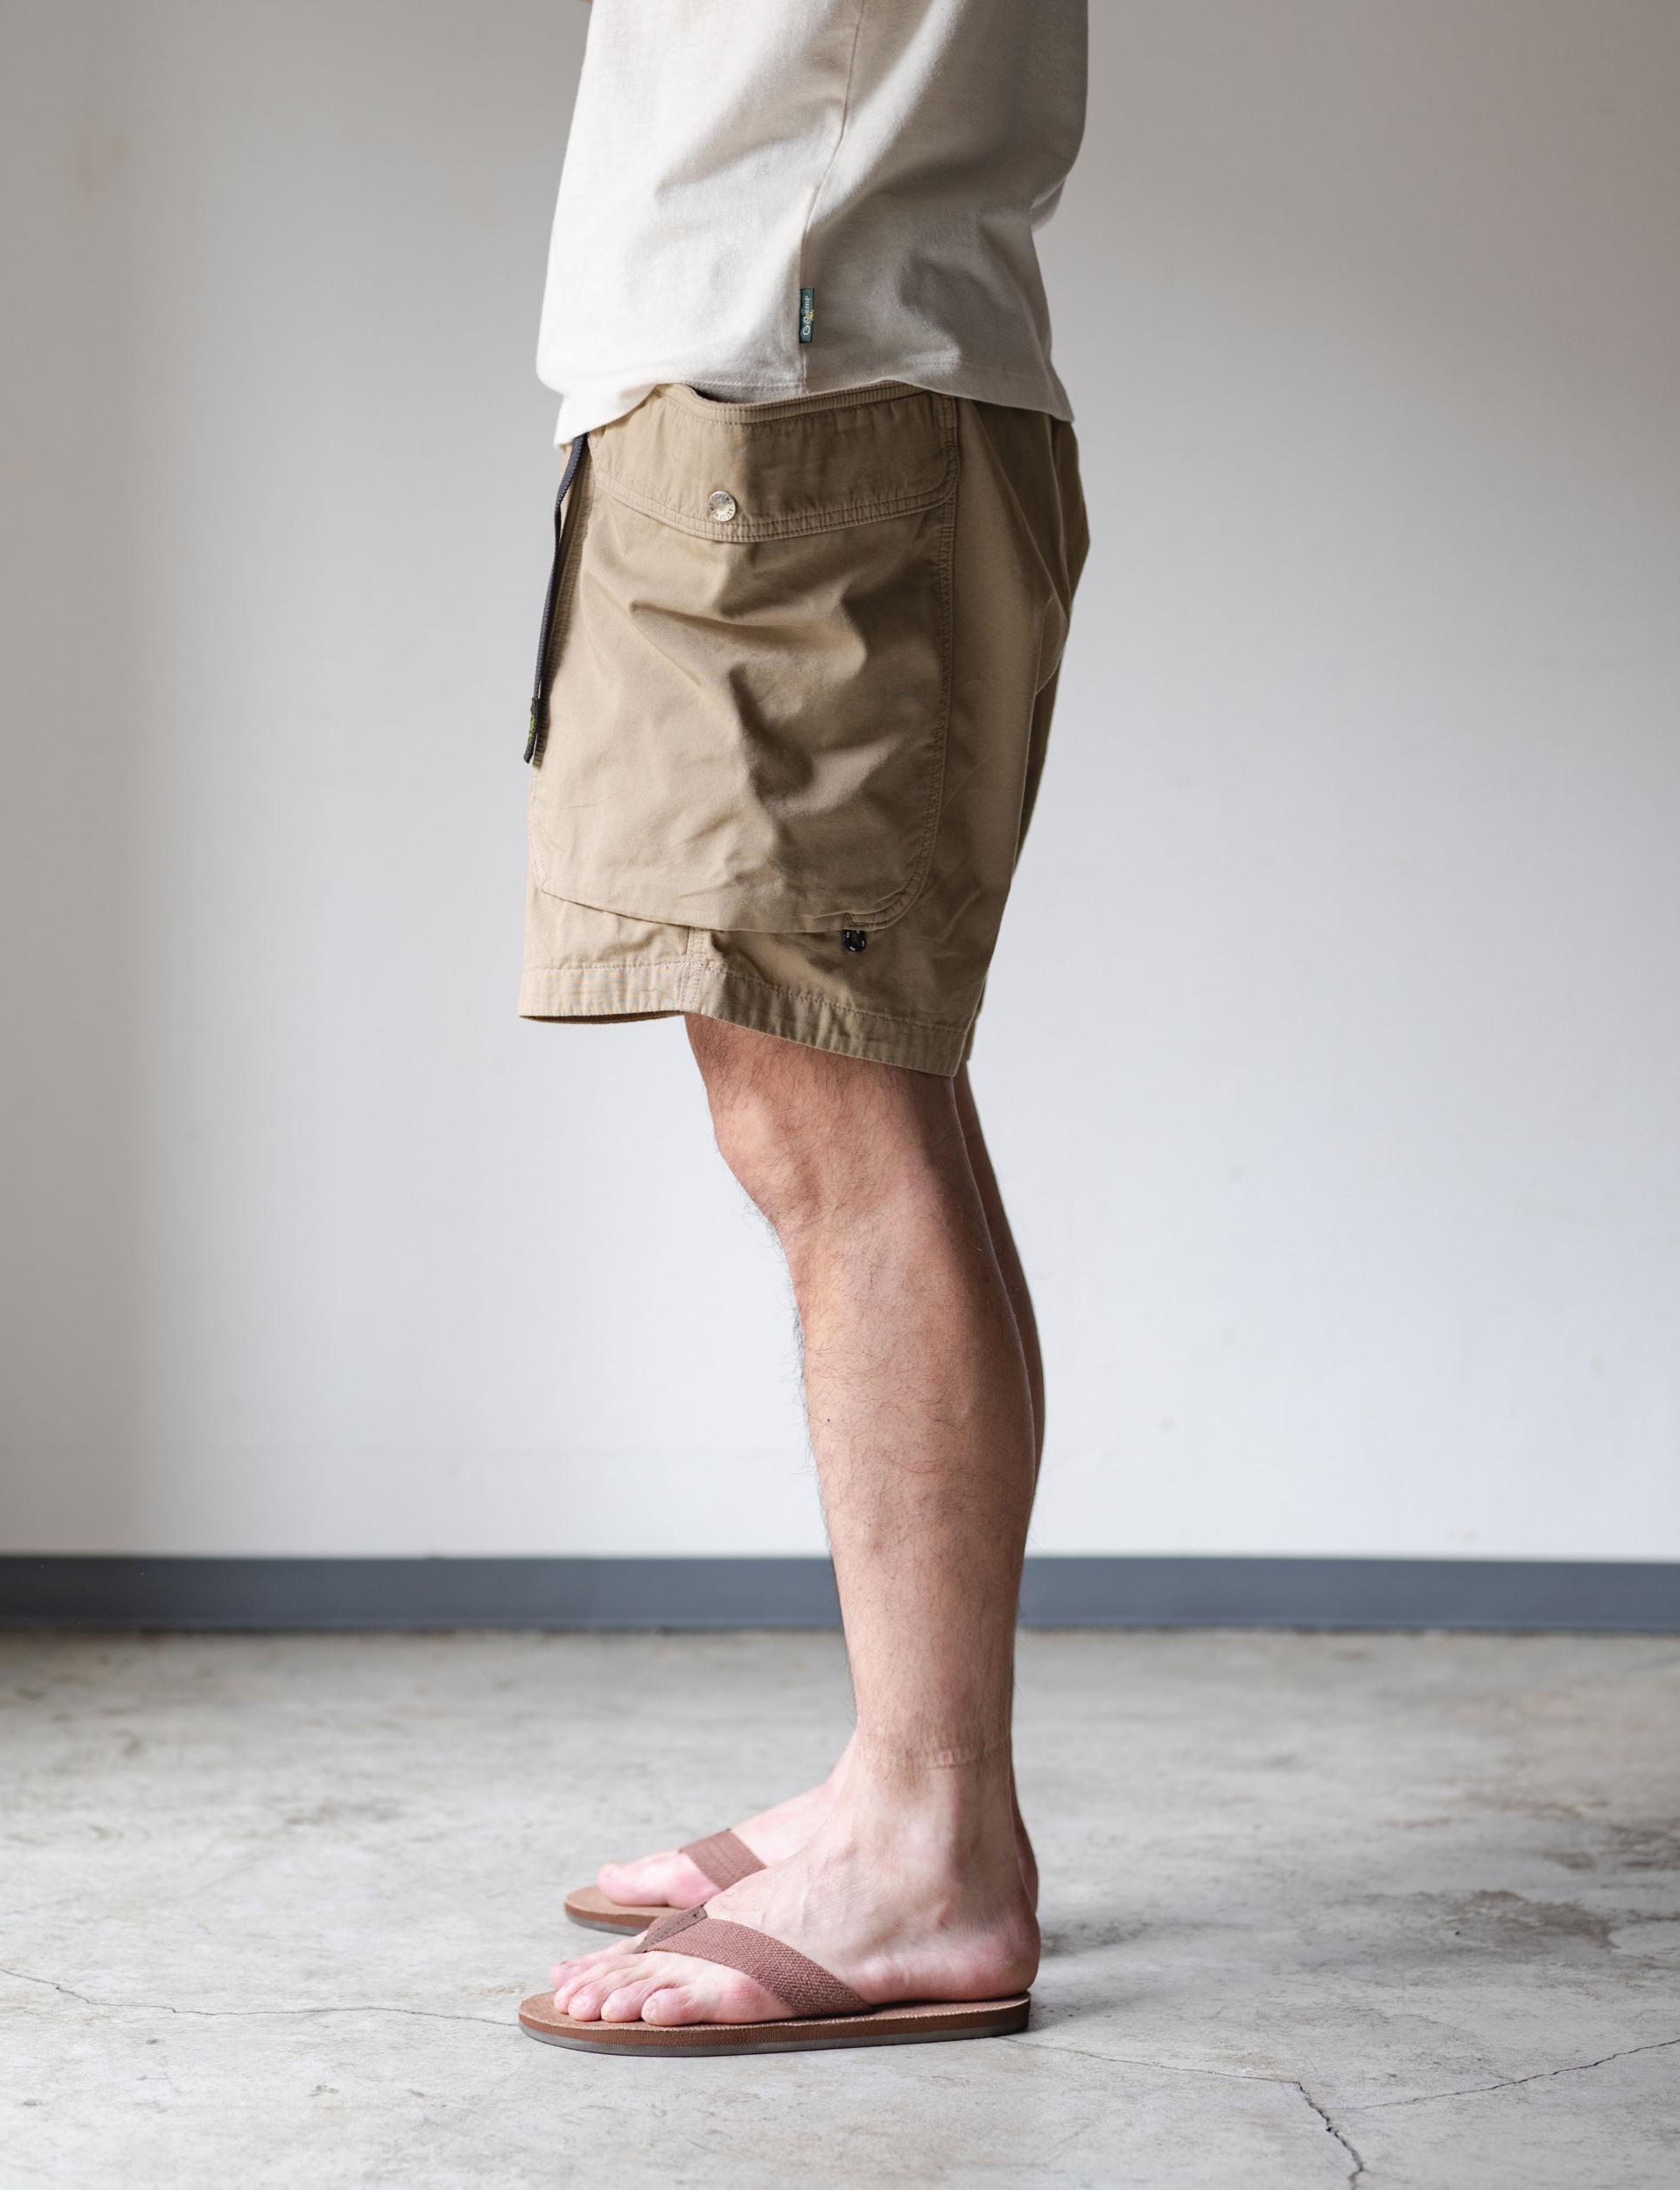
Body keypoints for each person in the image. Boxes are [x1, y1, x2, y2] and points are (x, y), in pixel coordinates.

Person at [515, 0, 1089, 2057]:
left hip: (790, 389)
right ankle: (902, 1785)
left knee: (830, 1115)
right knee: (857, 1098)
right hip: (792, 377)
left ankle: (930, 1843)